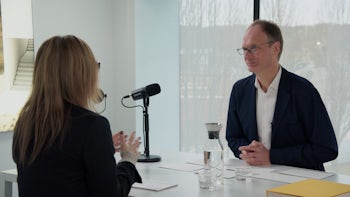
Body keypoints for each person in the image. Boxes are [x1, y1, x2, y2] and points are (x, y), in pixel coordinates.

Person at [12, 35, 142, 197]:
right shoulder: (93, 125)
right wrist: (128, 161)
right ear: (83, 75)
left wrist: (100, 147)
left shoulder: (25, 122)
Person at [225, 19, 338, 171]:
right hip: (255, 177)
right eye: (244, 49)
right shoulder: (239, 90)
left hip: (301, 183)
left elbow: (326, 149)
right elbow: (233, 137)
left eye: (253, 48)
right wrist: (248, 151)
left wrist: (271, 156)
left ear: (275, 48)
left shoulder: (303, 91)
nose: (246, 56)